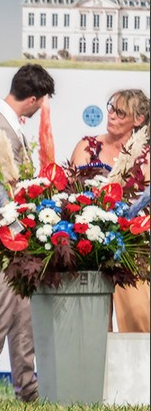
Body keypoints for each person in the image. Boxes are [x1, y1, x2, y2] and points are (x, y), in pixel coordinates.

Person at [0, 63, 56, 403]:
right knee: (1, 312)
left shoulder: (4, 123)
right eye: (42, 102)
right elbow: (1, 191)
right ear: (32, 99)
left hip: (13, 235)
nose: (42, 109)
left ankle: (28, 389)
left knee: (22, 314)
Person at [70, 88, 150, 332]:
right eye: (111, 108)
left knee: (138, 320)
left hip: (132, 251)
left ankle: (138, 371)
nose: (112, 115)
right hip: (89, 251)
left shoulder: (147, 156)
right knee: (92, 328)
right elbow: (70, 196)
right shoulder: (87, 147)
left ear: (139, 120)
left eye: (120, 112)